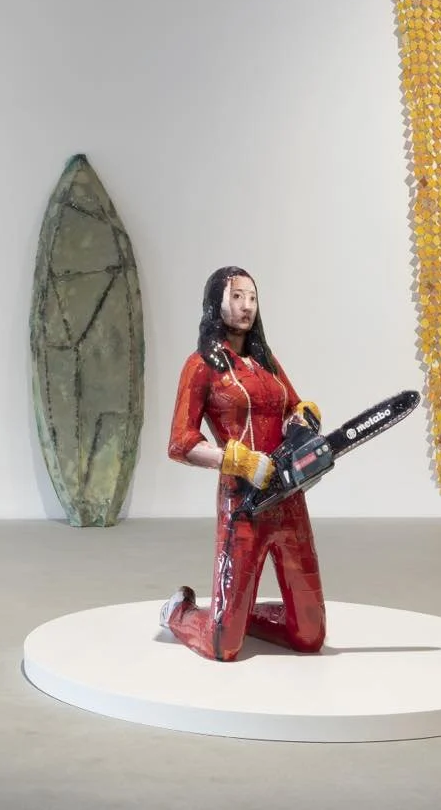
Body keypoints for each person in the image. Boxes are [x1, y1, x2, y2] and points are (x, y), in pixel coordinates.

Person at [159, 266, 327, 661]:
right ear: (215, 303)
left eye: (251, 298)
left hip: (288, 498)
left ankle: (237, 614)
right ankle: (181, 613)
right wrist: (238, 460)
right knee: (224, 646)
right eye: (236, 297)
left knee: (309, 636)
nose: (246, 306)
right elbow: (180, 442)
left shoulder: (265, 362)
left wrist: (304, 418)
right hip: (243, 503)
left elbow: (292, 405)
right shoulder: (201, 365)